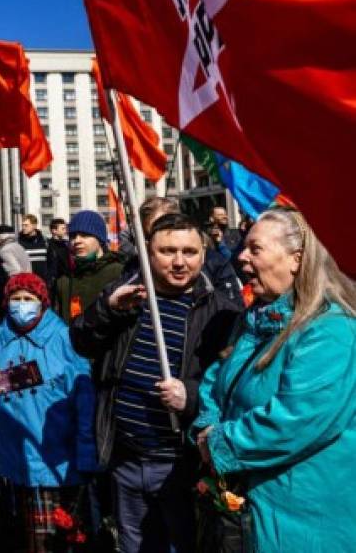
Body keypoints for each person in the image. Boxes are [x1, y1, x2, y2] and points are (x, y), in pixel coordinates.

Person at [70, 213, 241, 553]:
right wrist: (107, 308)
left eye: (190, 252)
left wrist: (190, 397)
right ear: (149, 253)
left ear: (203, 256)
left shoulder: (223, 313)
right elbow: (81, 342)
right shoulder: (126, 294)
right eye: (168, 251)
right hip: (125, 459)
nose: (179, 262)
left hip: (182, 466)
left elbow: (231, 391)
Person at [191, 208, 356, 551]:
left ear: (296, 259)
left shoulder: (329, 330)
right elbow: (217, 382)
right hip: (256, 506)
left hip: (305, 513)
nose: (242, 257)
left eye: (255, 248)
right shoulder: (254, 322)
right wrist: (207, 425)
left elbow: (298, 419)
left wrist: (221, 443)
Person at [0, 273, 96, 551]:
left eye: (28, 299)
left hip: (54, 460)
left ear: (42, 303)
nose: (21, 305)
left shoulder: (64, 337)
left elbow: (84, 396)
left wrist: (86, 451)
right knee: (18, 541)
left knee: (53, 543)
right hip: (12, 459)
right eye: (15, 299)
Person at [52, 211, 124, 325]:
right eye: (73, 236)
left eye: (85, 235)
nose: (77, 241)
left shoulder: (118, 273)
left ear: (100, 240)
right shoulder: (64, 281)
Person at [19, 215, 49, 280]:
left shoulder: (45, 241)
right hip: (26, 281)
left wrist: (50, 279)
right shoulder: (18, 243)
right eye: (22, 225)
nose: (23, 227)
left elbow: (51, 262)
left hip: (43, 282)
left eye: (26, 225)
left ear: (34, 226)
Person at [45, 218, 70, 298]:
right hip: (53, 283)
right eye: (62, 228)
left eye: (65, 228)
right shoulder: (48, 246)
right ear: (54, 231)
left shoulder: (66, 245)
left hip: (66, 280)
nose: (65, 231)